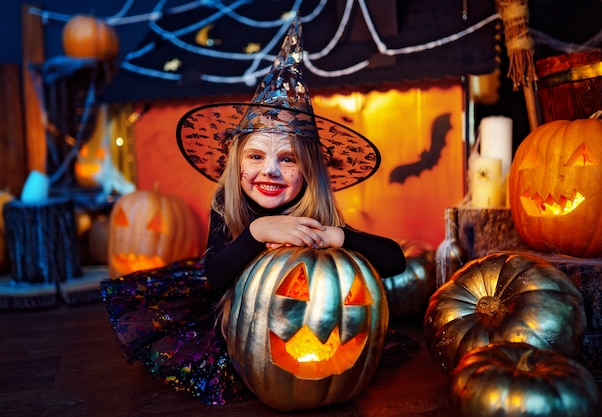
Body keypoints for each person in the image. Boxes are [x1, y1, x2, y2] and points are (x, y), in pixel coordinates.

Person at [102, 14, 406, 407]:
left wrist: (338, 236)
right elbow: (215, 275)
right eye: (257, 155)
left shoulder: (314, 211)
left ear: (308, 172)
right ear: (237, 162)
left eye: (289, 160)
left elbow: (395, 261)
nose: (271, 170)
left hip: (304, 323)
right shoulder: (225, 204)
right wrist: (258, 232)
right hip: (234, 321)